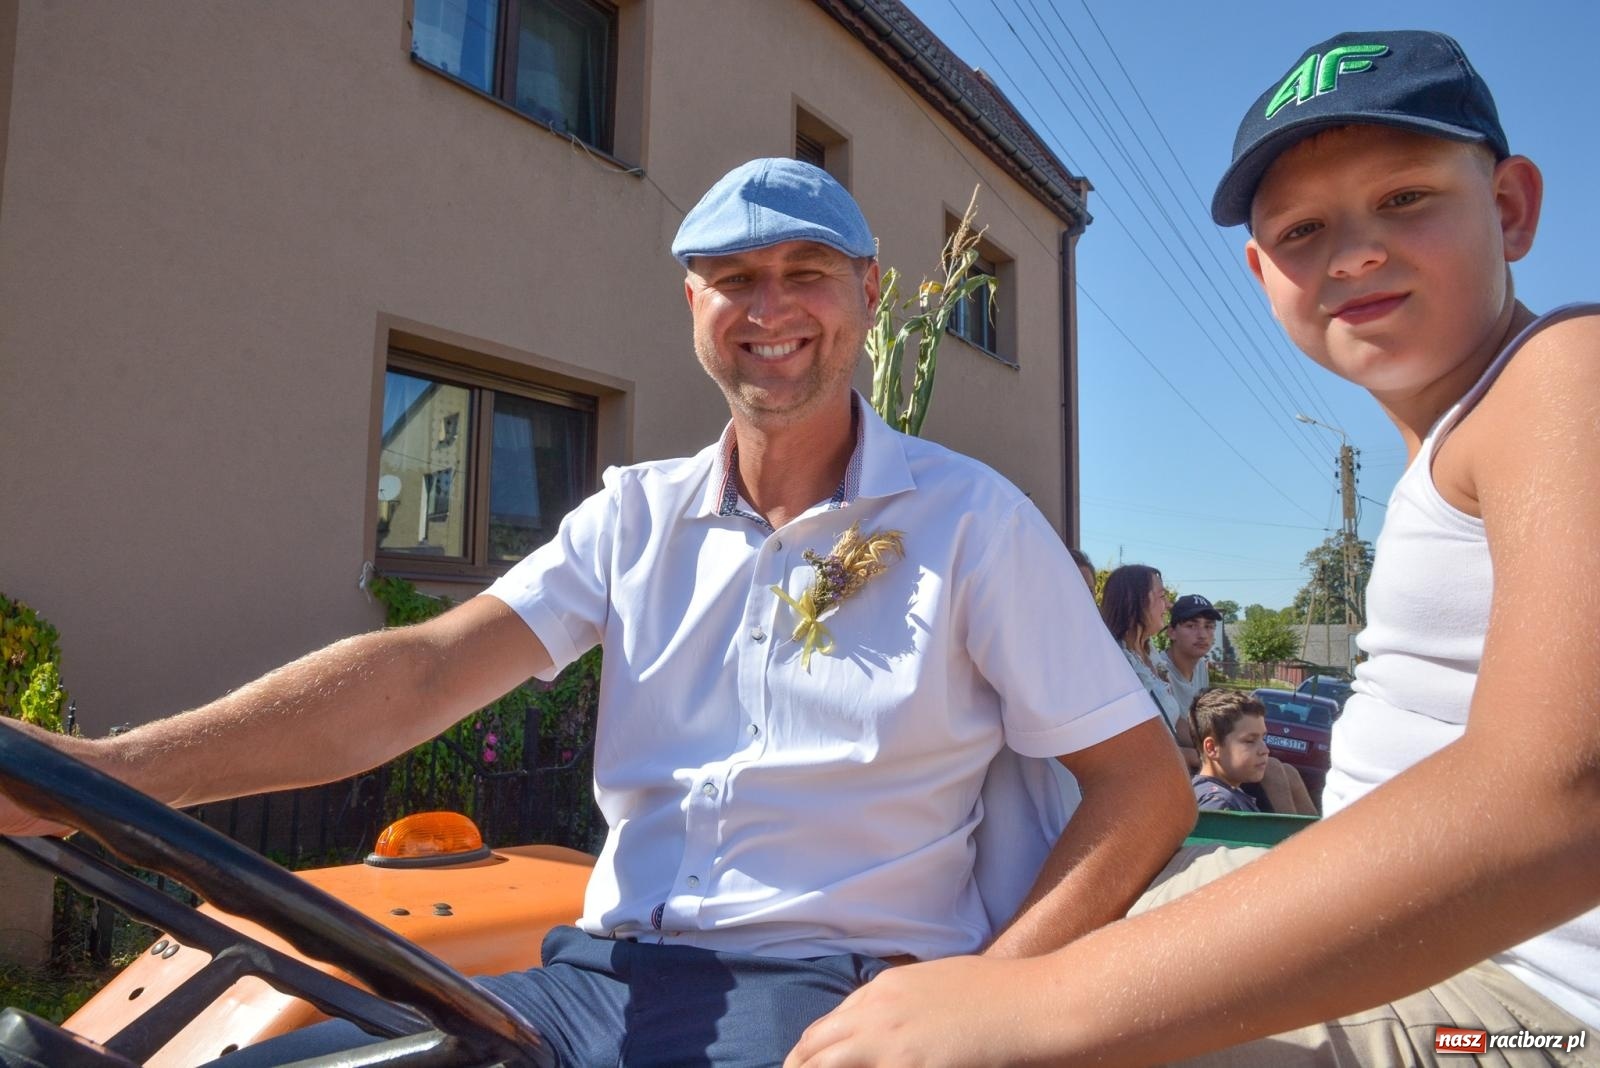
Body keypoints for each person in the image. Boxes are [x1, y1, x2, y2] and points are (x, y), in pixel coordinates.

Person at [0, 158, 1194, 1066]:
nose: (767, 307)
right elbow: (420, 675)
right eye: (733, 278)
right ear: (691, 304)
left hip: (826, 994)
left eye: (804, 274)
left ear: (868, 297)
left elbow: (1143, 792)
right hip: (593, 978)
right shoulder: (633, 516)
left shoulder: (971, 522)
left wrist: (989, 995)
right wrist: (110, 771)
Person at [789, 30, 1600, 1066]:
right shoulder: (1460, 440)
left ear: (1510, 209)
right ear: (1263, 273)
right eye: (1304, 229)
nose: (1353, 252)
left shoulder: (1562, 374)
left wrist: (1028, 1012)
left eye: (1403, 198)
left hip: (1529, 1006)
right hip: (1441, 957)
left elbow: (1559, 795)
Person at [1099, 564, 1182, 730]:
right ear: (1137, 601)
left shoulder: (1149, 653)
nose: (1169, 604)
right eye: (1162, 596)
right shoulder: (1116, 665)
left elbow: (1175, 723)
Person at [1187, 689, 1269, 813]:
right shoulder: (1219, 803)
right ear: (1212, 748)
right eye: (1250, 741)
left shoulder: (1229, 794)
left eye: (1263, 738)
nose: (1265, 750)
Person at [1155, 593, 1221, 718]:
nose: (1202, 635)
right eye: (1191, 626)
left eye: (1209, 626)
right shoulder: (1157, 670)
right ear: (1171, 632)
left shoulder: (1201, 666)